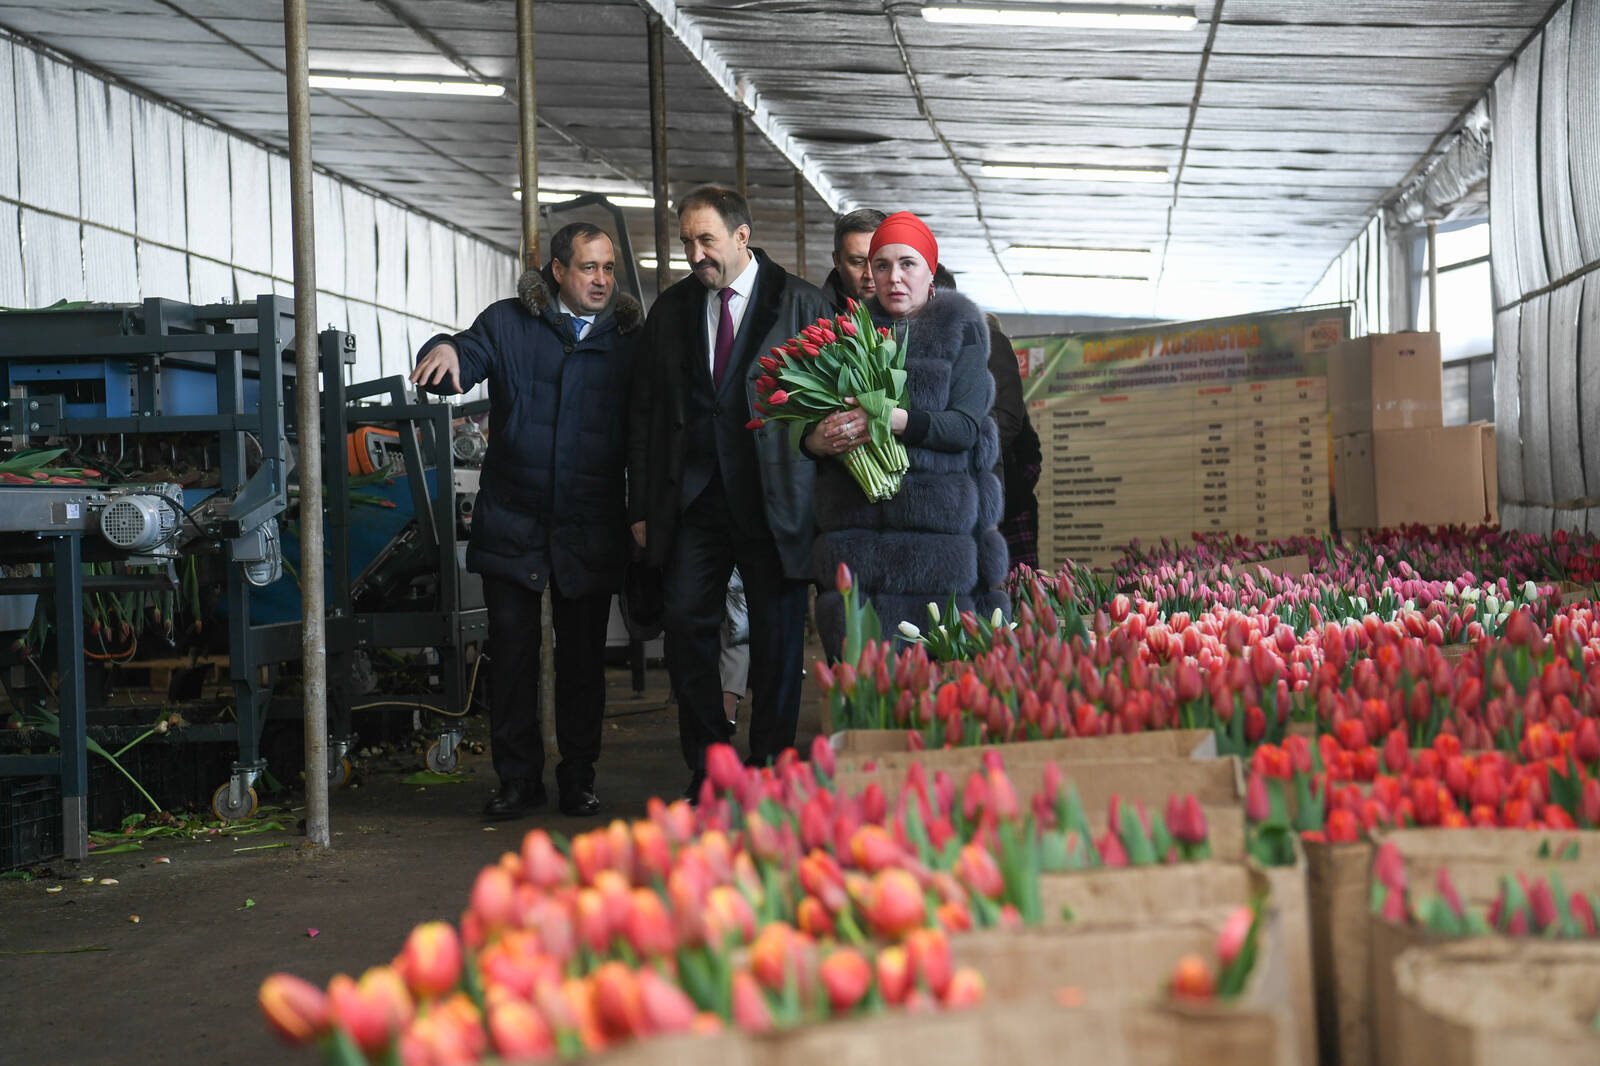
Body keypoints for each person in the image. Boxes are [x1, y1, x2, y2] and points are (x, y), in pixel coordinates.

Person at [410, 222, 640, 820]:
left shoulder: (627, 338)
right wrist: (446, 349)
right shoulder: (510, 322)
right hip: (515, 522)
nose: (602, 280)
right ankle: (517, 781)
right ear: (558, 271)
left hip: (588, 528)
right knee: (511, 660)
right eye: (589, 268)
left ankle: (579, 778)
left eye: (609, 269)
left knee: (583, 662)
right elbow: (468, 349)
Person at [627, 185, 828, 796]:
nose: (694, 254)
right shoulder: (674, 309)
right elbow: (644, 411)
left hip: (775, 501)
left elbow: (834, 407)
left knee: (777, 636)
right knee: (686, 624)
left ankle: (771, 764)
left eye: (705, 240)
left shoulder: (801, 304)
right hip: (695, 502)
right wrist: (640, 506)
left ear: (742, 236)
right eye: (686, 241)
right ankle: (711, 765)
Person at [807, 212, 1009, 652]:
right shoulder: (844, 336)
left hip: (940, 549)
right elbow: (814, 424)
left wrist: (891, 418)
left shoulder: (962, 329)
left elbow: (964, 428)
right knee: (867, 694)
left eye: (907, 264)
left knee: (943, 687)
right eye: (881, 265)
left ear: (930, 269)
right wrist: (813, 441)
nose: (893, 277)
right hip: (861, 545)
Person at [933, 266, 1041, 573]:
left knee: (996, 594)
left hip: (986, 493)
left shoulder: (990, 346)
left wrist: (942, 437)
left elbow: (1010, 426)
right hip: (929, 502)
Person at [820, 208, 887, 312]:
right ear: (837, 261)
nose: (869, 275)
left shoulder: (916, 313)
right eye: (858, 262)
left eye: (881, 263)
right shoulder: (813, 315)